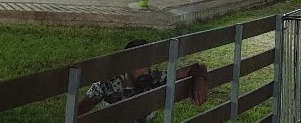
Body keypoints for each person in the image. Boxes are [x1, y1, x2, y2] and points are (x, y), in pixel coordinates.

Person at [77, 39, 209, 121]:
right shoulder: (106, 84)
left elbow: (197, 67)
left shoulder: (153, 78)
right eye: (141, 65)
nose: (146, 71)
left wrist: (200, 79)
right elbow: (78, 111)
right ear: (127, 64)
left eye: (148, 63)